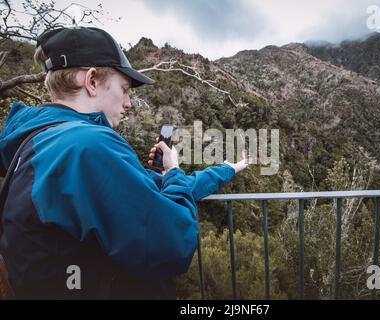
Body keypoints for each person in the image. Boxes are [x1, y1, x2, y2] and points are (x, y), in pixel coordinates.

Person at [0, 27, 248, 299]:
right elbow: (173, 245)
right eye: (125, 89)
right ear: (92, 81)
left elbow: (152, 190)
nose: (129, 103)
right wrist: (174, 171)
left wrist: (227, 169)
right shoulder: (87, 146)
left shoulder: (38, 140)